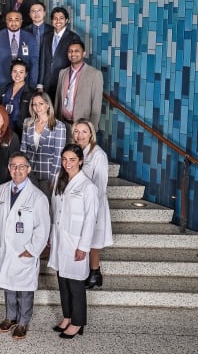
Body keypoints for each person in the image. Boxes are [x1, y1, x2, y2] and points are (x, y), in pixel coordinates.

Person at [0, 151, 51, 340]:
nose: (17, 170)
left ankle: (23, 322)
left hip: (24, 250)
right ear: (8, 168)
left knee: (25, 289)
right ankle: (10, 318)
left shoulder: (37, 197)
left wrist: (31, 250)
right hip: (4, 248)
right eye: (14, 166)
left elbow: (43, 228)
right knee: (9, 286)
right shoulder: (1, 190)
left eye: (22, 166)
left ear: (28, 169)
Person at [49, 144, 98, 339]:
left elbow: (90, 219)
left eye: (72, 160)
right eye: (64, 159)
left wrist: (83, 246)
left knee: (76, 285)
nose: (67, 163)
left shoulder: (88, 187)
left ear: (80, 161)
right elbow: (56, 212)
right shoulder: (60, 181)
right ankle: (67, 316)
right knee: (62, 281)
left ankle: (78, 322)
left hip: (76, 242)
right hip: (61, 240)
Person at [73, 120, 113, 289]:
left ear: (91, 134)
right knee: (82, 239)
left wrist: (92, 207)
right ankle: (91, 272)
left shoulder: (98, 155)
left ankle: (94, 273)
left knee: (92, 241)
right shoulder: (75, 152)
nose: (80, 135)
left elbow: (100, 185)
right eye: (76, 131)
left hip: (93, 203)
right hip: (77, 203)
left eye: (84, 131)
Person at [21, 91, 67, 198]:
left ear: (47, 105)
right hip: (30, 173)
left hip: (48, 176)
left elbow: (58, 155)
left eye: (41, 104)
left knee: (46, 208)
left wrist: (53, 178)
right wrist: (23, 171)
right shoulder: (27, 123)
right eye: (34, 104)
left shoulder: (58, 126)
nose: (37, 107)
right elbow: (23, 149)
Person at [0, 11, 39, 100]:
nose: (13, 23)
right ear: (6, 21)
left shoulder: (30, 38)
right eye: (10, 20)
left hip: (24, 84)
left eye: (16, 20)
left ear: (21, 21)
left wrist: (32, 85)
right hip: (0, 82)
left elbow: (34, 63)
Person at [54, 41, 103, 136]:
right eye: (70, 51)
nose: (73, 54)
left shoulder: (94, 74)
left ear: (84, 53)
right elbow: (57, 100)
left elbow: (96, 104)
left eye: (77, 51)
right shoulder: (62, 73)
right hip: (62, 124)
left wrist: (91, 129)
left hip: (82, 128)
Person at [39, 6, 81, 96]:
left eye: (61, 18)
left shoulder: (73, 37)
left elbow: (76, 62)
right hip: (47, 82)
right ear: (51, 21)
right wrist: (40, 83)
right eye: (55, 18)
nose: (58, 21)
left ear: (66, 20)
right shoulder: (46, 37)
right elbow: (42, 61)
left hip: (64, 81)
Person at [0, 59, 35, 137]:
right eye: (15, 71)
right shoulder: (5, 88)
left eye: (21, 72)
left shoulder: (31, 93)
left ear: (26, 74)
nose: (17, 75)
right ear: (11, 73)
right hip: (3, 127)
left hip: (20, 130)